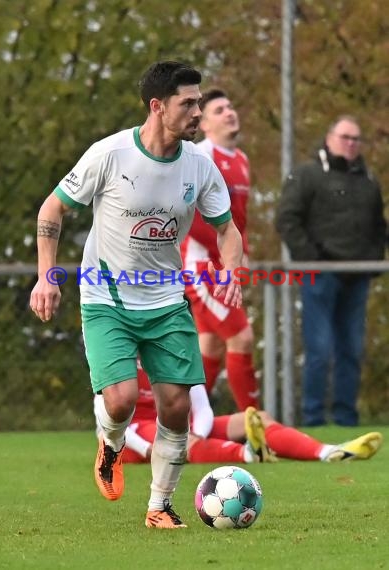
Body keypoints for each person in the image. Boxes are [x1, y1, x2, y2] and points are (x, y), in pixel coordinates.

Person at [30, 61, 244, 529]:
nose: (197, 111)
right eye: (187, 103)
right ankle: (110, 444)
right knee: (122, 400)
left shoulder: (199, 168)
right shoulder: (109, 154)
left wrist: (231, 271)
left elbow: (227, 229)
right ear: (157, 106)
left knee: (176, 406)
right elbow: (53, 208)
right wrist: (47, 277)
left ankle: (159, 507)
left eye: (199, 101)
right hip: (106, 297)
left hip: (166, 299)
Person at [276, 115, 387, 427]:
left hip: (357, 276)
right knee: (319, 350)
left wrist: (374, 260)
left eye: (356, 138)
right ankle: (312, 419)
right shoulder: (307, 174)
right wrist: (312, 260)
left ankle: (345, 419)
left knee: (351, 349)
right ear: (329, 137)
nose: (351, 143)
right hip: (319, 275)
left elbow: (379, 226)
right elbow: (287, 219)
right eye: (345, 137)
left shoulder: (368, 180)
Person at [94, 363, 383, 464]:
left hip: (176, 424)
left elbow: (202, 407)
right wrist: (148, 449)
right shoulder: (115, 349)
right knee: (180, 442)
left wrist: (197, 432)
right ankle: (247, 455)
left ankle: (327, 451)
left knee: (258, 417)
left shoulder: (174, 344)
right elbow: (105, 420)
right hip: (131, 438)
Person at [181, 88, 259, 411]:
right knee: (242, 337)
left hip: (226, 267)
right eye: (219, 110)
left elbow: (238, 218)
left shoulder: (241, 160)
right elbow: (188, 215)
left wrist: (244, 252)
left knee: (210, 346)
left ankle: (184, 425)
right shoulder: (200, 157)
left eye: (230, 106)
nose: (229, 112)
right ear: (205, 125)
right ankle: (254, 422)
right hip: (202, 267)